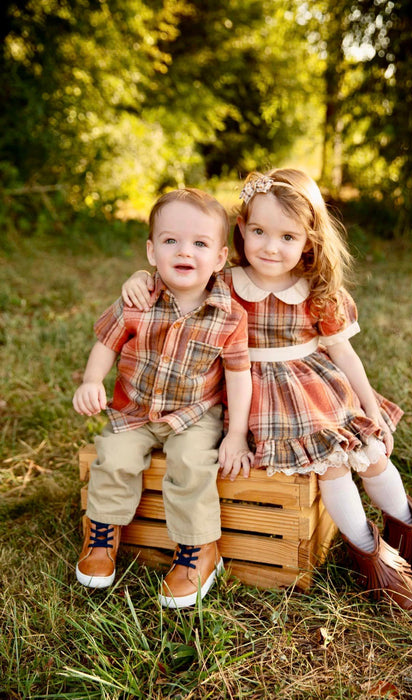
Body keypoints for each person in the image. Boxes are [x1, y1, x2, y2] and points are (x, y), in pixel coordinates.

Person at [123, 169, 412, 613]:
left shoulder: (317, 291)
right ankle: (370, 555)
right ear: (240, 229)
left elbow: (345, 356)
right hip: (259, 398)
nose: (270, 247)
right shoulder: (223, 282)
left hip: (318, 389)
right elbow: (176, 277)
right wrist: (140, 279)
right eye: (258, 231)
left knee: (372, 453)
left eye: (286, 236)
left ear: (309, 239)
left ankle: (408, 528)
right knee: (331, 468)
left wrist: (370, 407)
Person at [73, 188, 253, 609]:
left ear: (221, 257)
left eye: (200, 243)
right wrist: (91, 381)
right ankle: (102, 536)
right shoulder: (137, 300)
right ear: (151, 252)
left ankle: (199, 551)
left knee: (191, 464)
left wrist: (237, 433)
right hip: (133, 410)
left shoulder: (230, 315)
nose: (184, 251)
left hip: (195, 414)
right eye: (171, 240)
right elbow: (106, 342)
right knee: (113, 458)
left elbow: (238, 374)